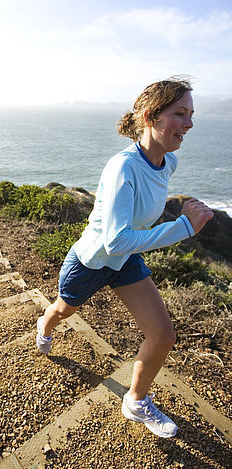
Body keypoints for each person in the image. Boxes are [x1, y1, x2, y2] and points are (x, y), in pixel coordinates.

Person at [36, 77, 214, 438]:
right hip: (91, 261)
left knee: (163, 335)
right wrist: (185, 227)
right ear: (151, 116)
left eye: (191, 114)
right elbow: (115, 241)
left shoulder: (168, 163)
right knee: (62, 311)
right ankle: (44, 325)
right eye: (180, 113)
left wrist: (185, 220)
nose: (189, 124)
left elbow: (129, 240)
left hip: (126, 261)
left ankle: (135, 400)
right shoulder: (123, 167)